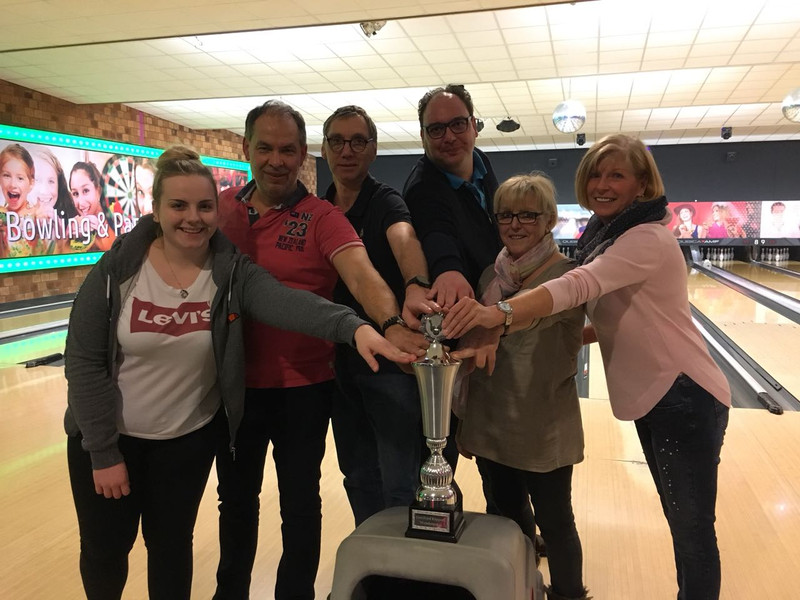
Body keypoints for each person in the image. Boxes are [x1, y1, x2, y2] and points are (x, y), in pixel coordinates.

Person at [64, 145, 412, 600]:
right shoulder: (117, 271)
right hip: (110, 441)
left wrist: (354, 328)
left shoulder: (229, 272)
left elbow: (286, 302)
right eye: (179, 205)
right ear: (157, 209)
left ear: (218, 210)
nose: (193, 218)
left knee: (171, 551)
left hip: (184, 443)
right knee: (106, 553)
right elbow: (83, 362)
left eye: (204, 206)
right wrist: (103, 452)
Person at [443, 134, 731, 600]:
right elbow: (610, 321)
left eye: (617, 174)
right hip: (662, 395)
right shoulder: (607, 237)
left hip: (683, 392)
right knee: (683, 522)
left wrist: (501, 316)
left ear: (642, 184)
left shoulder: (644, 237)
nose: (602, 184)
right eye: (595, 174)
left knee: (691, 529)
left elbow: (578, 286)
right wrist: (519, 332)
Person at [214, 100, 427, 600]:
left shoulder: (321, 216)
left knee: (300, 505)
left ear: (303, 153)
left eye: (288, 150)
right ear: (246, 148)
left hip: (304, 389)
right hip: (233, 387)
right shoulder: (219, 210)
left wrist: (391, 323)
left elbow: (362, 274)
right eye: (265, 148)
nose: (276, 160)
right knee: (236, 503)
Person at [456, 173, 589, 600]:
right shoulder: (488, 276)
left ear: (549, 220)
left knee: (556, 522)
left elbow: (529, 318)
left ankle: (568, 594)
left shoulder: (566, 276)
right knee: (508, 518)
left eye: (528, 215)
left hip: (543, 424)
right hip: (494, 420)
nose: (515, 224)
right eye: (506, 215)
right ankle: (519, 587)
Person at [320, 105, 436, 525]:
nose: (347, 151)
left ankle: (403, 558)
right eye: (337, 141)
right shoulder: (320, 208)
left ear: (373, 149)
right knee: (357, 475)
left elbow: (404, 239)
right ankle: (370, 551)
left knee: (399, 480)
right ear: (324, 149)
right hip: (340, 363)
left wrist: (416, 283)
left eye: (358, 141)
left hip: (388, 360)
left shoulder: (384, 201)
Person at [0, 143, 48, 257]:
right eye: (6, 175)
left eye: (20, 178)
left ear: (31, 183)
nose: (13, 184)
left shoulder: (37, 216)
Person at [69, 161, 116, 252]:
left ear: (98, 191)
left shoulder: (116, 216)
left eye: (86, 191)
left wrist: (101, 232)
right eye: (75, 193)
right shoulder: (75, 225)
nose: (81, 203)